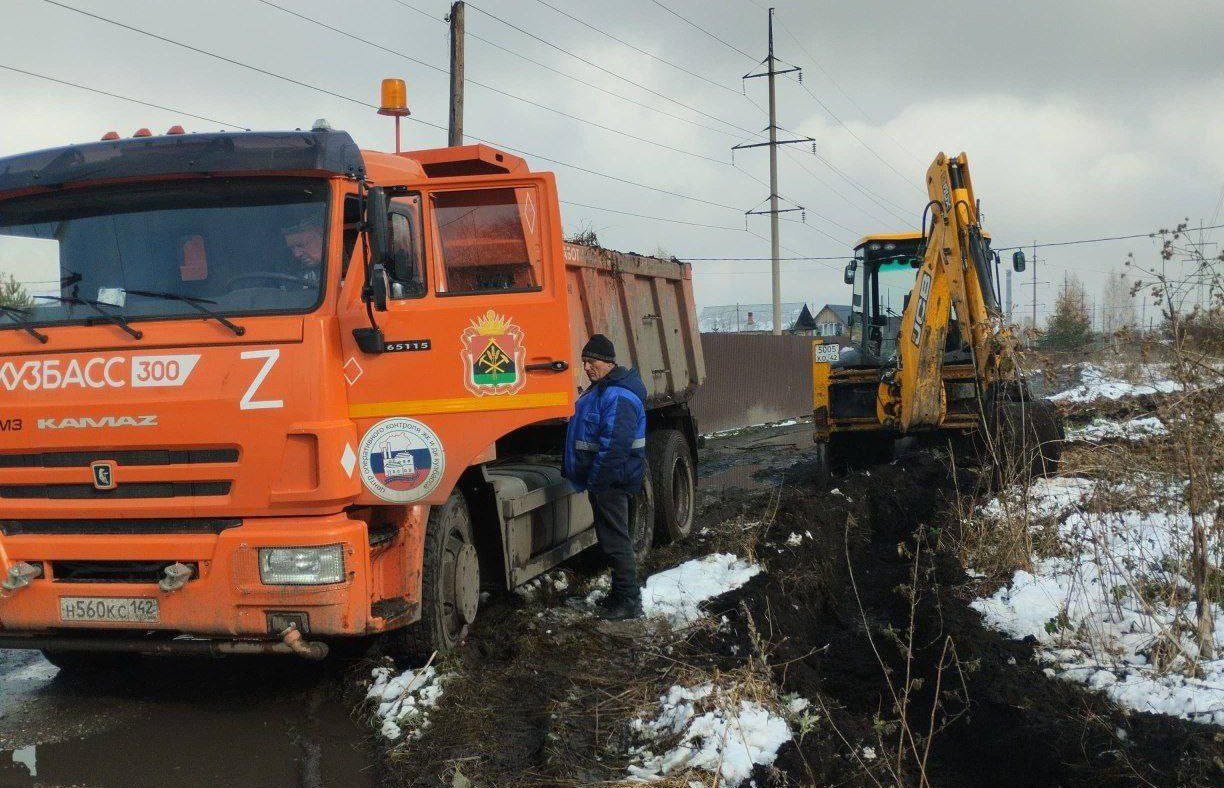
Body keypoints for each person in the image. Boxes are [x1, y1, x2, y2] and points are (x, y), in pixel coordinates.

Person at [563, 334, 648, 621]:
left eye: (592, 361)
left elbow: (614, 445)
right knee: (610, 539)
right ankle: (620, 595)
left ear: (608, 362)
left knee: (616, 541)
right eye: (584, 361)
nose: (587, 367)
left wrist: (598, 480)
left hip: (611, 480)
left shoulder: (618, 395)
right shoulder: (603, 390)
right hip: (606, 480)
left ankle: (629, 601)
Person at [281, 219, 324, 285]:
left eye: (301, 245)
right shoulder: (289, 276)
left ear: (322, 236)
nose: (297, 254)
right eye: (292, 248)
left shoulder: (343, 276)